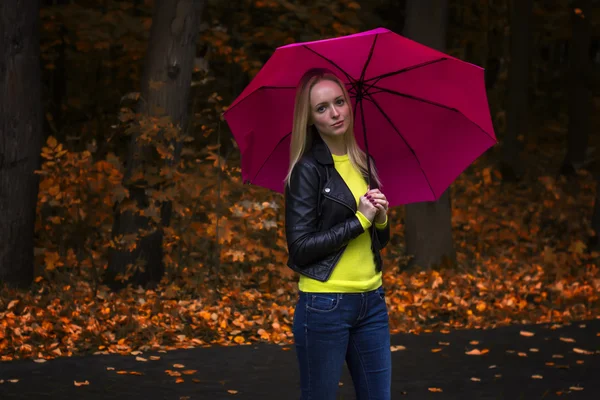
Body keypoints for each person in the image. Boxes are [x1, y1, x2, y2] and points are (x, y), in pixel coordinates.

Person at [284, 67, 392, 400]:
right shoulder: (307, 170)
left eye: (339, 102)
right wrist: (360, 219)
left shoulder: (364, 162)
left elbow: (377, 242)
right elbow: (300, 248)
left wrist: (381, 219)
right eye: (322, 108)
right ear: (310, 119)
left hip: (372, 302)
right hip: (324, 305)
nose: (334, 113)